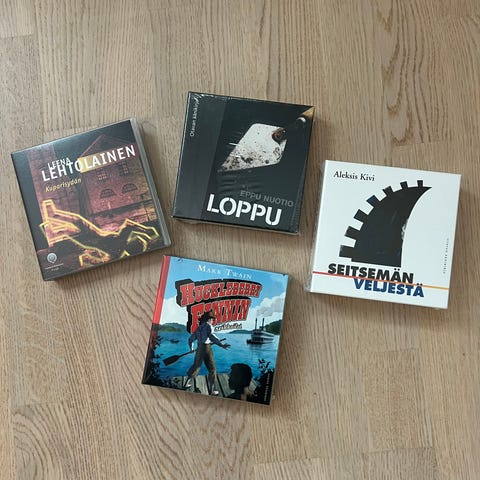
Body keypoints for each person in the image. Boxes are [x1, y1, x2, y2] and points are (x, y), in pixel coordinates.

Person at [184, 310, 230, 395]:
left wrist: (191, 349)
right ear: (209, 319)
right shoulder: (209, 326)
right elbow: (212, 337)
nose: (213, 321)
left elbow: (190, 339)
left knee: (196, 366)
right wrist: (222, 345)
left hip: (199, 348)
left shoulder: (199, 328)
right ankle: (212, 391)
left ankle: (186, 383)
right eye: (212, 319)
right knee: (212, 369)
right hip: (207, 348)